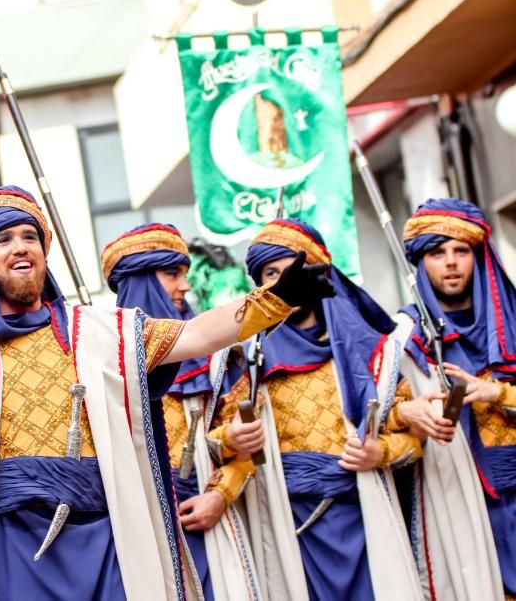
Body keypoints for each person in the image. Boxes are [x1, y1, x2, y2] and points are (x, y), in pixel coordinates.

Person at [0, 186, 332, 600]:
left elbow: (198, 334)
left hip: (105, 536)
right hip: (9, 543)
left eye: (29, 236)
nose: (20, 247)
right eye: (3, 239)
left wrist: (276, 300)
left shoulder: (101, 332)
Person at [210, 219, 423, 601]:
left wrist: (381, 453)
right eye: (270, 273)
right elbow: (217, 442)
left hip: (363, 510)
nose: (283, 281)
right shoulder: (245, 358)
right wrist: (230, 438)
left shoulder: (366, 350)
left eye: (291, 269)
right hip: (287, 522)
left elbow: (413, 439)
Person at [102, 223, 260, 600]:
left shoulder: (221, 357)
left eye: (186, 275)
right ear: (139, 280)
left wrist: (220, 494)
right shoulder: (98, 360)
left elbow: (253, 450)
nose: (185, 286)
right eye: (172, 274)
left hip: (205, 523)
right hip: (130, 532)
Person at [388, 198, 510, 598]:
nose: (451, 262)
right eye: (437, 253)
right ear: (421, 264)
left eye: (461, 250)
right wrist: (407, 412)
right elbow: (375, 418)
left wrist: (499, 392)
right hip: (458, 498)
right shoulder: (404, 338)